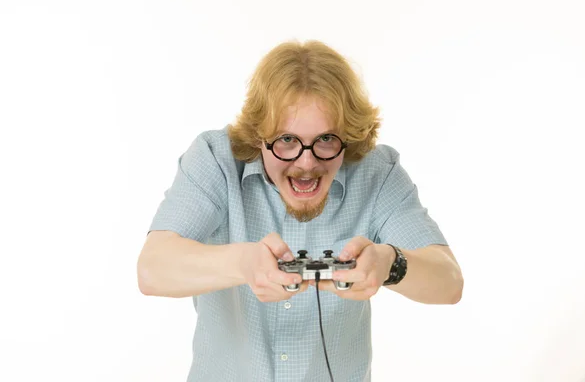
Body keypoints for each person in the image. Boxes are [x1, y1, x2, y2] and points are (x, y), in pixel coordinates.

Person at [137, 40, 464, 382]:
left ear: (349, 137)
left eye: (326, 140)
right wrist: (243, 263)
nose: (306, 163)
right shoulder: (215, 158)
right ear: (258, 136)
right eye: (286, 141)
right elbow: (152, 269)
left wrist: (389, 264)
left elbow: (450, 282)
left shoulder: (377, 172)